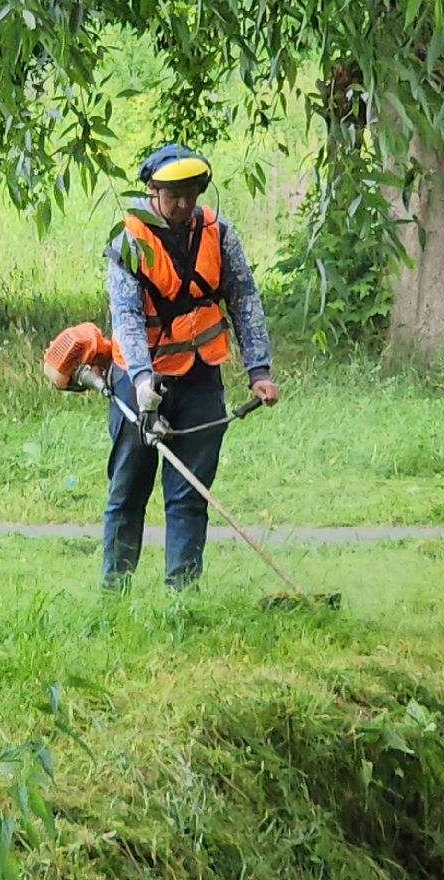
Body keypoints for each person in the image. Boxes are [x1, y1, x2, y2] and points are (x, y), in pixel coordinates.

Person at [101, 143, 278, 589]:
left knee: (189, 494)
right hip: (141, 382)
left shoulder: (219, 233)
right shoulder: (128, 241)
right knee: (128, 492)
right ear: (151, 190)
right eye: (173, 193)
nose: (183, 203)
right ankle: (113, 594)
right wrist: (141, 380)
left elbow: (244, 299)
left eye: (191, 193)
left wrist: (259, 371)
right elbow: (125, 317)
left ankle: (184, 595)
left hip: (201, 378)